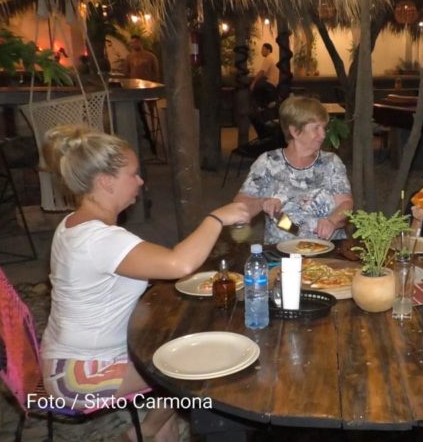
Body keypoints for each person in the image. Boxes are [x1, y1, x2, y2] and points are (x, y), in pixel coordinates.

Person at [39, 125, 250, 442]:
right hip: (80, 376)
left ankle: (155, 433)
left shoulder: (73, 224)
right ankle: (143, 433)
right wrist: (216, 218)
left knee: (183, 346)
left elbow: (152, 263)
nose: (140, 181)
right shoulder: (99, 239)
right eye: (133, 174)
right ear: (106, 182)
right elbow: (181, 263)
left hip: (66, 359)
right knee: (199, 369)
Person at [234, 96, 353, 244]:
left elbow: (346, 204)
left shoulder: (331, 162)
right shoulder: (268, 163)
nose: (323, 135)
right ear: (295, 131)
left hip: (327, 250)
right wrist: (262, 202)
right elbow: (238, 210)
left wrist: (332, 221)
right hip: (282, 252)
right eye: (316, 128)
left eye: (324, 128)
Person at [249, 43, 280, 108]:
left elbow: (262, 72)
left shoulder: (268, 58)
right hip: (274, 82)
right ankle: (267, 103)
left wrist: (253, 83)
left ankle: (261, 106)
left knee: (256, 86)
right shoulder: (272, 57)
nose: (261, 51)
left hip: (272, 83)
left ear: (268, 50)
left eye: (263, 49)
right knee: (259, 84)